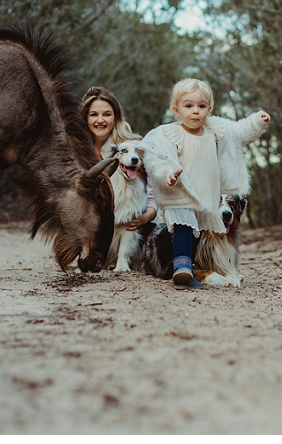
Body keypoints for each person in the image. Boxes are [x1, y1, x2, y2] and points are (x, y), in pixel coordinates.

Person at [136, 78, 271, 288]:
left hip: (207, 194)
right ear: (176, 109)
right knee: (183, 227)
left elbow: (240, 132)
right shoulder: (169, 134)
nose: (195, 112)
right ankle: (183, 265)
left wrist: (258, 121)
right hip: (182, 193)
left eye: (201, 106)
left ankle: (205, 264)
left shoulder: (216, 130)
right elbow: (157, 159)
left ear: (210, 108)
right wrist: (167, 175)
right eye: (188, 106)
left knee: (203, 231)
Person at [81, 86, 157, 230]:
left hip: (128, 230)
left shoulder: (135, 148)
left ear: (115, 118)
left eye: (107, 114)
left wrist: (146, 217)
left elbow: (153, 195)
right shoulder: (78, 152)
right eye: (93, 114)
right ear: (85, 118)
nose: (100, 120)